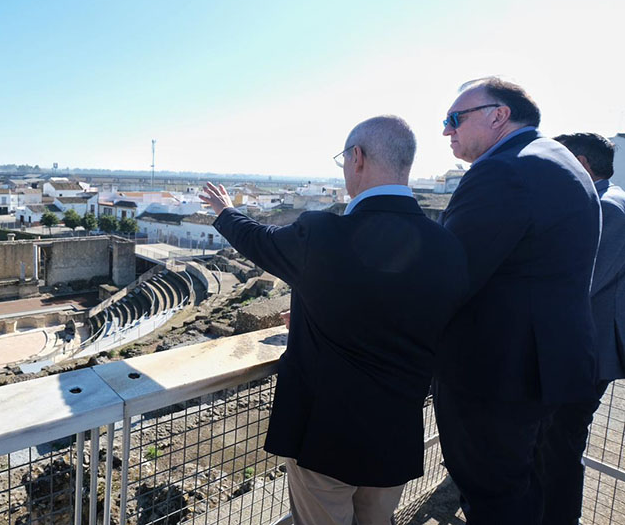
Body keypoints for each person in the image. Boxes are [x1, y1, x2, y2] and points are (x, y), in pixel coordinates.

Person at [201, 115, 468, 525]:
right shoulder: (447, 246)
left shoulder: (322, 234)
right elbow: (402, 313)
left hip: (326, 437)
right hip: (397, 432)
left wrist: (225, 212)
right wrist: (314, 312)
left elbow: (259, 241)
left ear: (356, 158)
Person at [434, 78, 602, 524]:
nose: (447, 131)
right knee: (535, 489)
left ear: (498, 115)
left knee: (495, 499)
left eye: (454, 119)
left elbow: (447, 276)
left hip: (500, 378)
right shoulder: (559, 158)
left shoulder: (502, 170)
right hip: (552, 367)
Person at [540, 133, 625, 524]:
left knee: (559, 447)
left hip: (584, 355)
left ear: (581, 163)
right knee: (556, 444)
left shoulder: (605, 208)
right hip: (586, 351)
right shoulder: (613, 200)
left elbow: (579, 283)